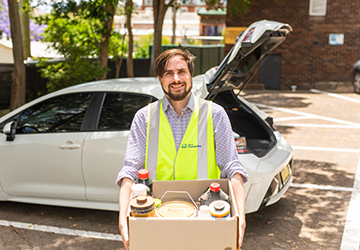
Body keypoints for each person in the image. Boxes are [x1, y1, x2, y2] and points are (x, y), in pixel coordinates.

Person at [116, 48, 249, 250]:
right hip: (157, 216)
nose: (176, 78)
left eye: (181, 71)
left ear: (191, 75)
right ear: (160, 79)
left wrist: (240, 217)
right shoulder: (144, 117)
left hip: (204, 214)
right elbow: (129, 171)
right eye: (168, 73)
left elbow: (233, 167)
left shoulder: (215, 114)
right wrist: (122, 217)